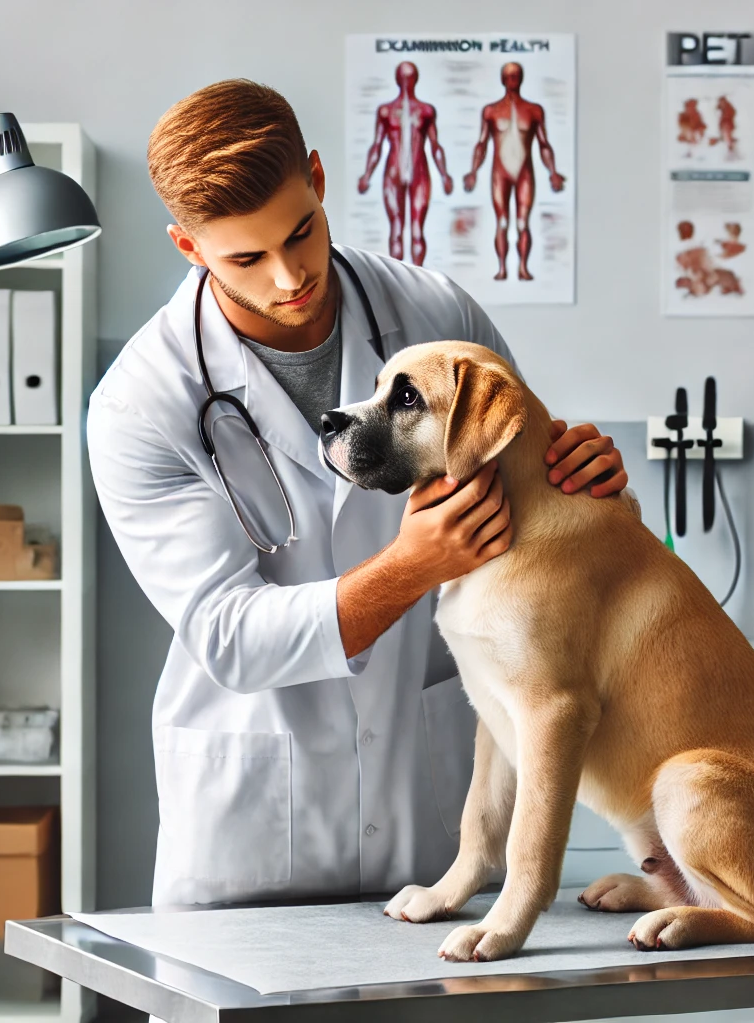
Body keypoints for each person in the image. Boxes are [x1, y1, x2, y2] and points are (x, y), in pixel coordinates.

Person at [87, 79, 629, 910]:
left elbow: (525, 512)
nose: (288, 275)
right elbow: (230, 638)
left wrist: (579, 478)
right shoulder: (141, 403)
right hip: (253, 827)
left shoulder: (436, 313)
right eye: (244, 258)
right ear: (188, 248)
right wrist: (410, 566)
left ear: (318, 176)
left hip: (434, 808)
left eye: (301, 232)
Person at [464, 62, 566, 281]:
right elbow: (481, 144)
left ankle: (522, 268)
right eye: (509, 76)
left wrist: (553, 172)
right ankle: (502, 268)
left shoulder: (534, 110)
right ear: (503, 79)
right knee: (502, 221)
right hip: (500, 174)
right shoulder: (491, 111)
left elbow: (544, 144)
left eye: (517, 76)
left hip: (524, 174)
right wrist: (473, 171)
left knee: (522, 222)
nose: (513, 80)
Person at [357, 61, 453, 266]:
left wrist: (444, 174)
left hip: (419, 171)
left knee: (417, 230)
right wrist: (367, 175)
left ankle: (417, 283)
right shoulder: (386, 111)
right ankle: (398, 284)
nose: (407, 82)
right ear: (398, 80)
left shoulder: (426, 111)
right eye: (404, 77)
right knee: (397, 229)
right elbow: (377, 145)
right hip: (394, 172)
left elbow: (435, 146)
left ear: (415, 80)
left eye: (410, 77)